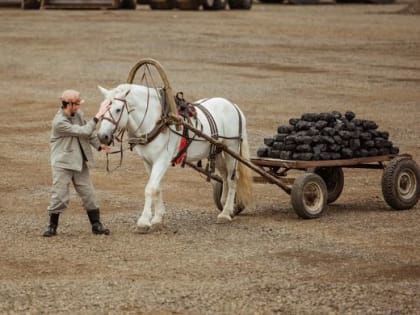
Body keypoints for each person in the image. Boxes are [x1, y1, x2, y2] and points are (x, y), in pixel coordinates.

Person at [43, 89, 111, 237]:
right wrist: (98, 115)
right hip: (63, 164)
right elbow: (84, 131)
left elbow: (89, 134)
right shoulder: (59, 122)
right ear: (69, 104)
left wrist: (99, 146)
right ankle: (52, 226)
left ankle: (96, 225)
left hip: (79, 162)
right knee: (59, 195)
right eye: (77, 104)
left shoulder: (78, 115)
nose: (79, 107)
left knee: (89, 194)